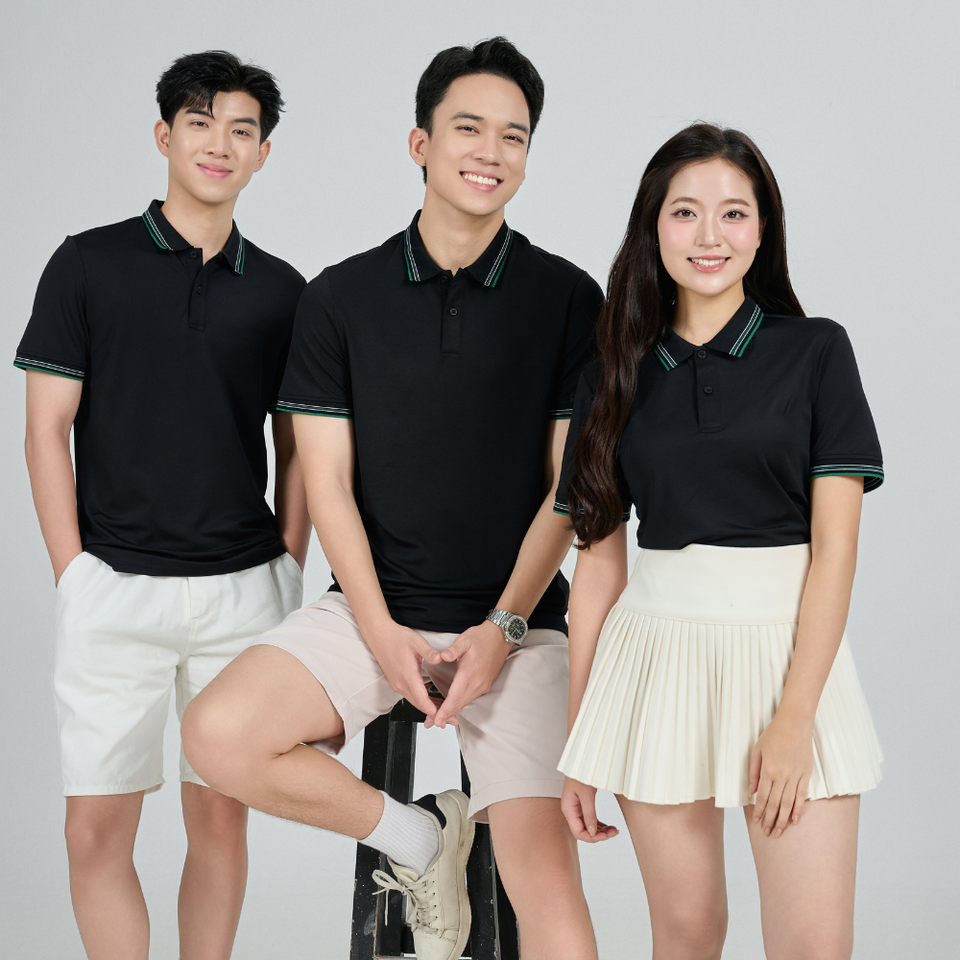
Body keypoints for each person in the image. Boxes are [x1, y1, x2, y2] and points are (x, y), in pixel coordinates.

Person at [182, 37, 611, 960]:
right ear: (421, 144)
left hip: (522, 625)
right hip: (373, 612)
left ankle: (463, 809)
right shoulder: (340, 298)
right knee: (217, 735)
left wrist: (502, 629)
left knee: (546, 888)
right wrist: (379, 631)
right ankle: (420, 839)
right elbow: (329, 487)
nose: (491, 152)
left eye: (514, 136)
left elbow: (569, 492)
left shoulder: (569, 298)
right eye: (469, 128)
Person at [555, 124, 884, 960]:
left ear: (763, 229)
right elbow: (598, 570)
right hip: (654, 662)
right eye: (686, 212)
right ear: (653, 226)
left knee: (812, 946)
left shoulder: (816, 351)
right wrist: (581, 742)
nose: (710, 235)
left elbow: (836, 552)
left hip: (791, 663)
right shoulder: (612, 373)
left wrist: (794, 719)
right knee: (686, 933)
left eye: (734, 213)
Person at [16, 50, 310, 960]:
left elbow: (298, 447)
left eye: (241, 130)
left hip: (243, 593)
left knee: (220, 821)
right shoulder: (87, 264)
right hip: (114, 588)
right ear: (164, 135)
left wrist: (289, 564)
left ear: (263, 153)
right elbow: (45, 430)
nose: (219, 144)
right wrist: (73, 574)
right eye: (200, 123)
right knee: (93, 831)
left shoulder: (284, 291)